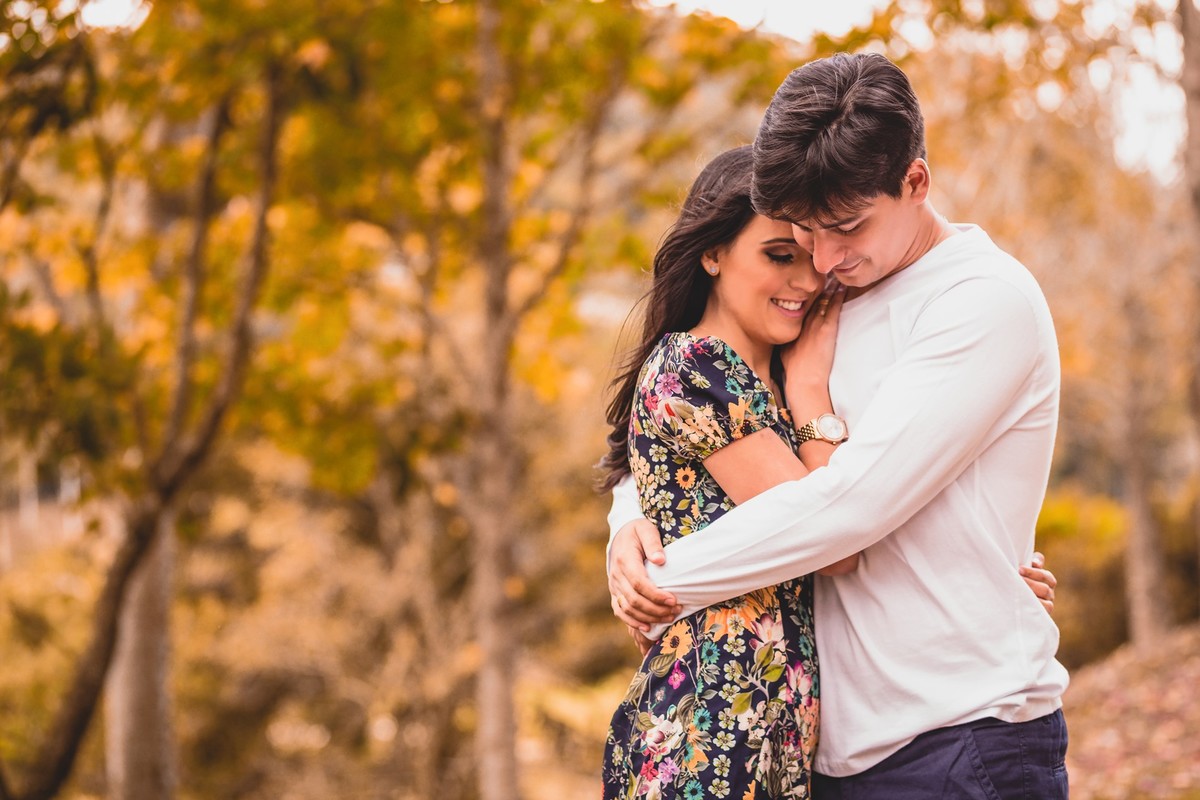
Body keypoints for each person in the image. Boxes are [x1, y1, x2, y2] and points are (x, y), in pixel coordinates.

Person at [605, 52, 1069, 799]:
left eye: (846, 228)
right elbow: (704, 426)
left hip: (958, 735)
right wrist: (626, 524)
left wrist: (662, 582)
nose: (823, 259)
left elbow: (847, 507)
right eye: (806, 233)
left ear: (916, 182)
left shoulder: (980, 301)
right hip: (822, 753)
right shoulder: (824, 300)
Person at [597, 145, 853, 799]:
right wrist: (811, 393)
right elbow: (835, 541)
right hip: (709, 724)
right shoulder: (695, 366)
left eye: (812, 257)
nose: (806, 281)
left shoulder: (773, 381)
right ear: (712, 254)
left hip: (768, 725)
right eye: (779, 255)